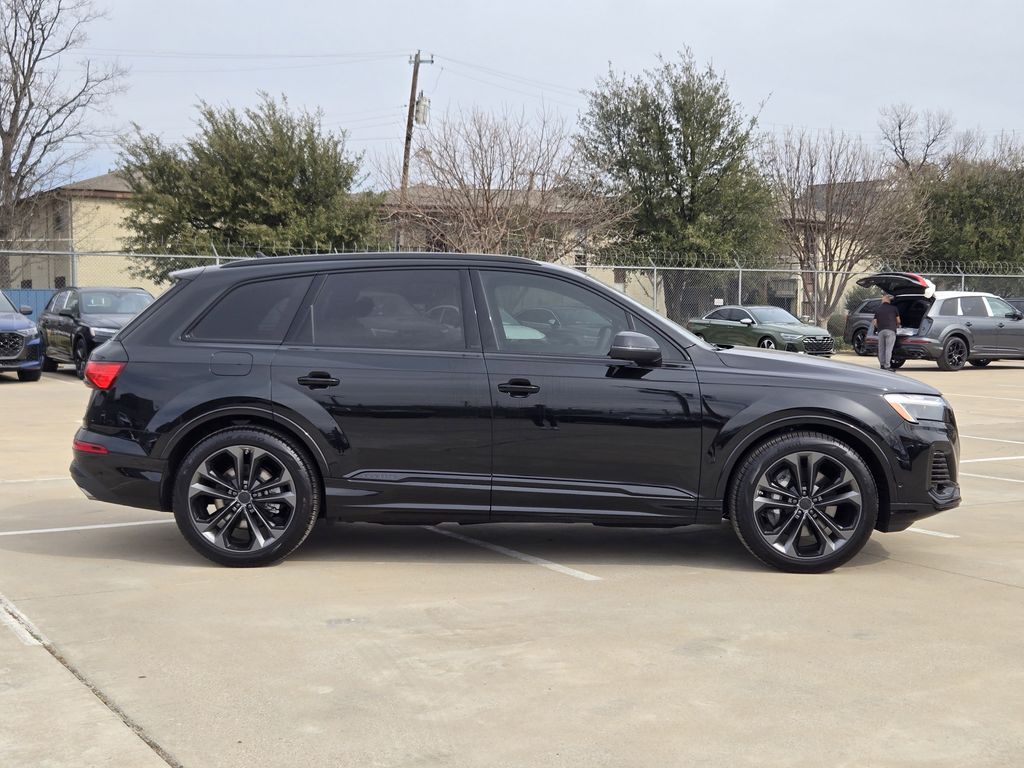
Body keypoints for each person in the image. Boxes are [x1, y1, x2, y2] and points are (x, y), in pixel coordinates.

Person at [873, 293, 901, 370]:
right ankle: (887, 366)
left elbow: (875, 322)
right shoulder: (894, 308)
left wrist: (879, 328)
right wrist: (897, 326)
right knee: (888, 349)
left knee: (881, 348)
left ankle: (882, 365)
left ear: (883, 301)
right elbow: (898, 320)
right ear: (889, 300)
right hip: (890, 330)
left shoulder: (878, 309)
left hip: (881, 331)